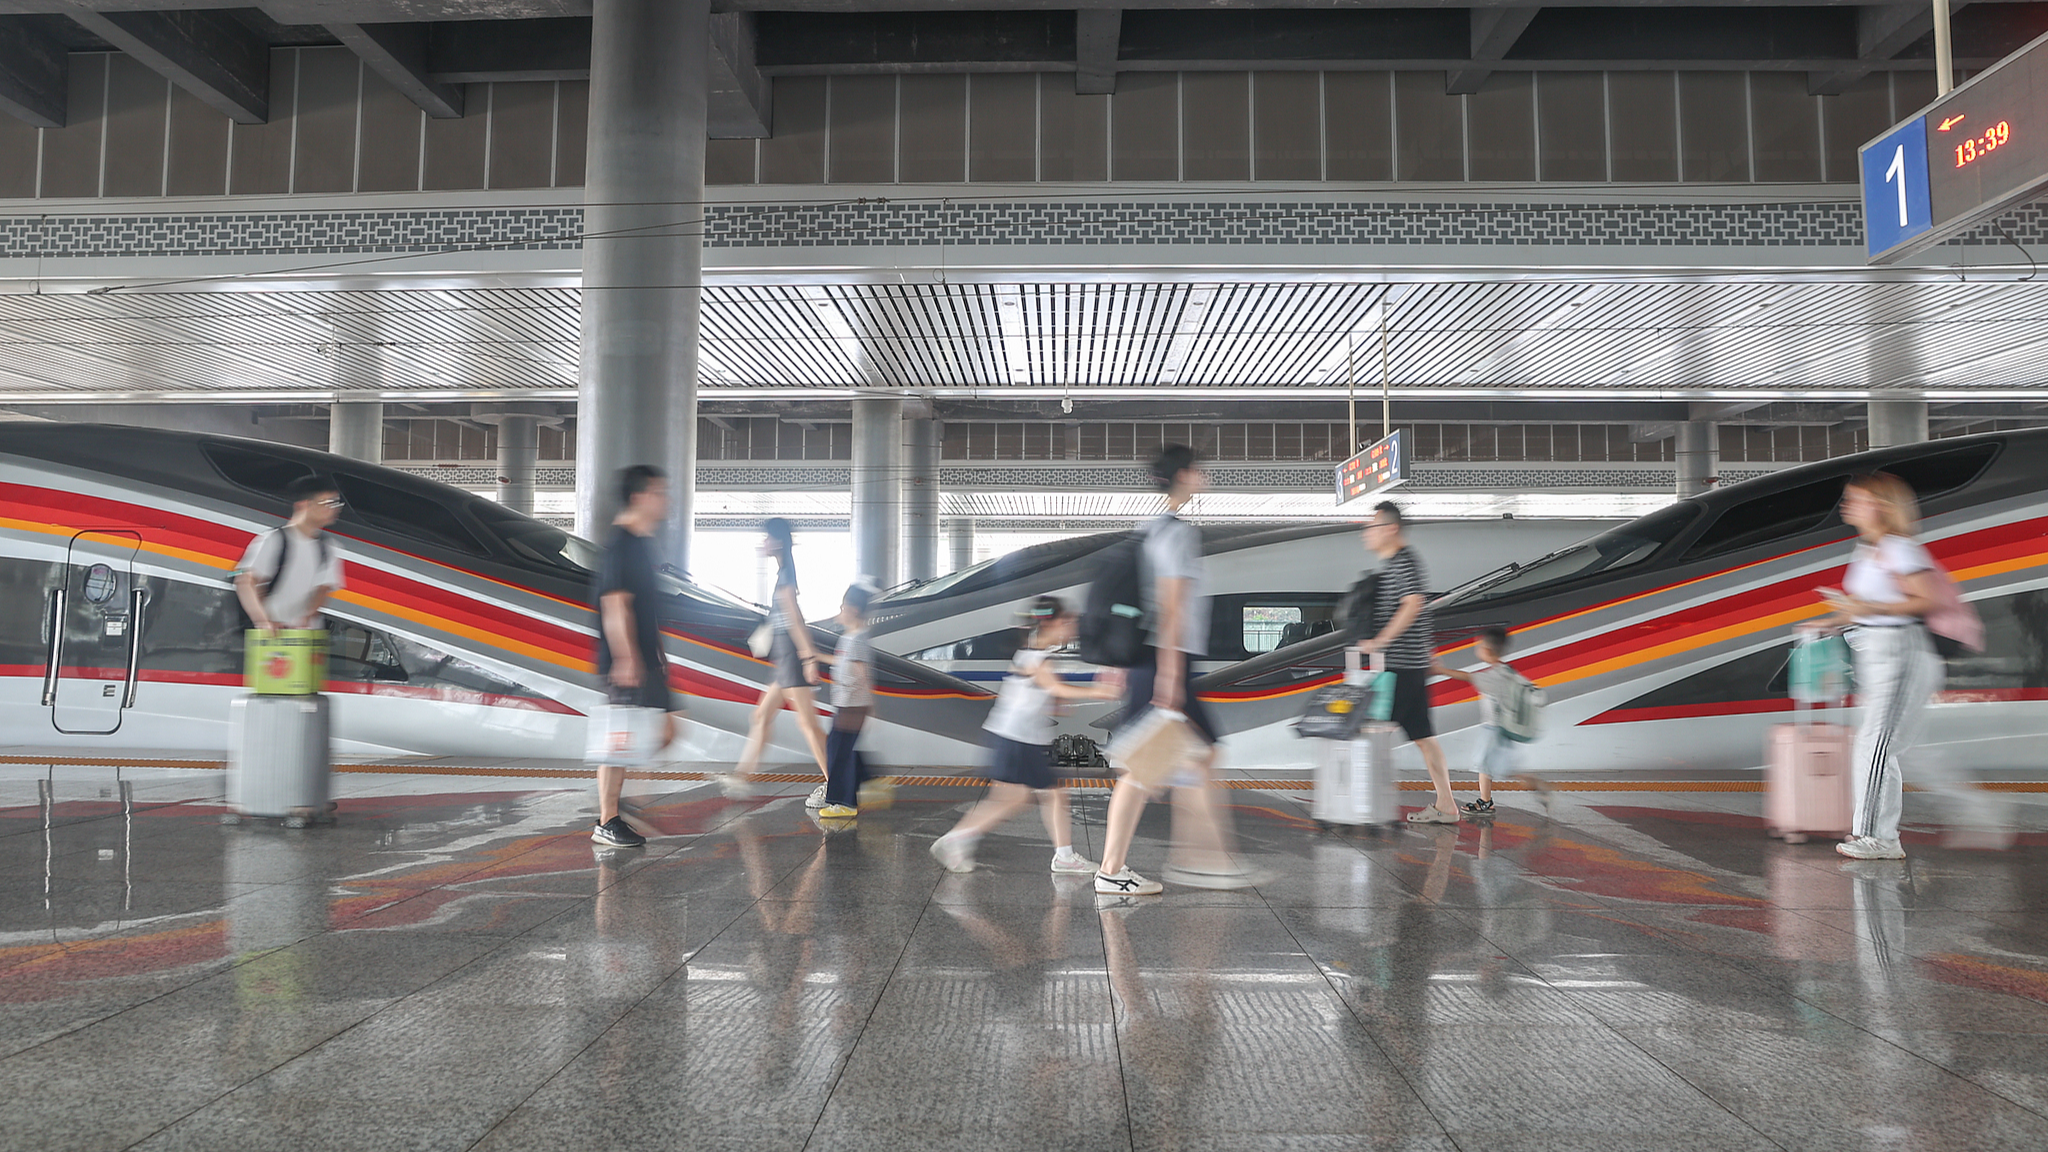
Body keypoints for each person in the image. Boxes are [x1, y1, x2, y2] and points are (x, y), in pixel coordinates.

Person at [1094, 445, 1258, 897]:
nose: (1203, 474)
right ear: (1185, 474)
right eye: (1198, 468)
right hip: (1167, 661)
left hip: (1157, 660)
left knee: (1199, 756)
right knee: (1148, 771)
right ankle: (1116, 869)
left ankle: (1198, 857)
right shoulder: (1178, 534)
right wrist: (1168, 677)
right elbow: (1169, 606)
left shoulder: (1152, 530)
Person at [930, 595, 1123, 874]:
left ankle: (1062, 855)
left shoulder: (1036, 655)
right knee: (1020, 798)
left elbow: (1053, 697)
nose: (1072, 627)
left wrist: (1059, 701)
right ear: (1052, 624)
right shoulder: (1035, 657)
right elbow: (1057, 689)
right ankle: (957, 839)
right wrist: (1100, 691)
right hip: (1015, 740)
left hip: (1015, 738)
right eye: (1067, 621)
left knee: (1048, 794)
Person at [1813, 472, 1945, 861]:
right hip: (1876, 653)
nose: (1846, 505)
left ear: (1881, 506)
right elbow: (1865, 608)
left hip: (1899, 653)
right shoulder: (1867, 550)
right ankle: (1878, 835)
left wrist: (1865, 608)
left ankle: (1878, 837)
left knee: (1875, 746)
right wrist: (1831, 622)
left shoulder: (1899, 547)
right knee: (1875, 747)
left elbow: (1925, 600)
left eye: (1855, 498)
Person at [591, 465, 686, 849]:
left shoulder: (643, 544)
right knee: (617, 743)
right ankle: (607, 818)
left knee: (666, 730)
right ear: (639, 497)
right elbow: (615, 605)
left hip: (647, 659)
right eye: (659, 492)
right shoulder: (621, 546)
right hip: (628, 662)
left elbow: (645, 609)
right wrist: (625, 658)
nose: (666, 500)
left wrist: (658, 655)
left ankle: (620, 802)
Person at [1360, 501, 1459, 824]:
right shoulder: (1394, 565)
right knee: (1423, 737)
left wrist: (1380, 641)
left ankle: (1368, 807)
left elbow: (1413, 605)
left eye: (1372, 527)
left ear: (1391, 528)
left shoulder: (1405, 562)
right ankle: (1446, 805)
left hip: (1401, 667)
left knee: (1372, 732)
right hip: (1410, 664)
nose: (1367, 533)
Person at [729, 518, 830, 797]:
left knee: (808, 726)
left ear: (777, 541)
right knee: (761, 716)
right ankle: (741, 777)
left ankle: (838, 784)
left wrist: (808, 658)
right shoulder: (784, 573)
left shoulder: (786, 575)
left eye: (766, 538)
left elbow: (795, 619)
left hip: (792, 659)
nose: (762, 543)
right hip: (786, 660)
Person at [1432, 625, 1543, 820]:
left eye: (1479, 646)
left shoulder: (1493, 676)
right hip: (1498, 727)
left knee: (1487, 766)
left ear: (1488, 650)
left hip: (1493, 728)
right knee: (1498, 767)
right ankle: (1532, 784)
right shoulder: (1505, 671)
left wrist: (1439, 670)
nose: (1477, 648)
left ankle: (1486, 802)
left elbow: (1467, 677)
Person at [234, 474, 346, 634]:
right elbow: (245, 582)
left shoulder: (328, 547)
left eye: (336, 504)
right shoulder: (275, 540)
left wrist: (307, 618)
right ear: (304, 505)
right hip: (270, 635)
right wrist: (263, 621)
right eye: (327, 503)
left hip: (303, 638)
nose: (333, 509)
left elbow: (323, 589)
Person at [816, 581, 879, 820]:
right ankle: (869, 780)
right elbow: (842, 662)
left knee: (838, 751)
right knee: (842, 748)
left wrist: (870, 706)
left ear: (852, 610)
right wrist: (816, 656)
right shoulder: (851, 637)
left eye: (842, 607)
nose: (839, 612)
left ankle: (844, 803)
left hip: (853, 705)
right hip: (848, 704)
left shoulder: (858, 639)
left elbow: (862, 672)